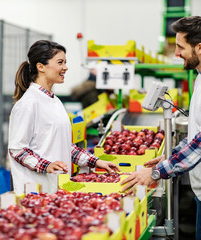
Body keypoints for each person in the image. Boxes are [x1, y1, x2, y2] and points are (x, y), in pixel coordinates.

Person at [121, 16, 201, 240]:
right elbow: (198, 132)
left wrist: (156, 173)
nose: (176, 53)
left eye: (181, 47)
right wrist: (169, 157)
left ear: (200, 48)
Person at [8, 40, 119, 194]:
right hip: (36, 193)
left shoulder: (55, 101)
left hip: (58, 188)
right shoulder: (28, 104)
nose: (65, 67)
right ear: (41, 67)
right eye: (60, 62)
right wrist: (46, 165)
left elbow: (64, 146)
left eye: (65, 62)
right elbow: (17, 149)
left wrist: (96, 162)